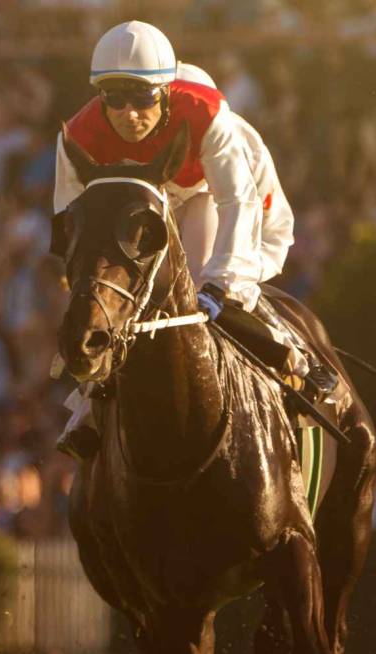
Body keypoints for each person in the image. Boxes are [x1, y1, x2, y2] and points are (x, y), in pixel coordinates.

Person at [52, 21, 331, 460]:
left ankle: (296, 360)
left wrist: (219, 285)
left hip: (222, 196)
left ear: (165, 92)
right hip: (152, 202)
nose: (128, 113)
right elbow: (69, 221)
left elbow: (237, 201)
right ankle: (86, 406)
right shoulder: (78, 136)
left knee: (205, 285)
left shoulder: (209, 117)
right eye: (115, 98)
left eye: (142, 97)